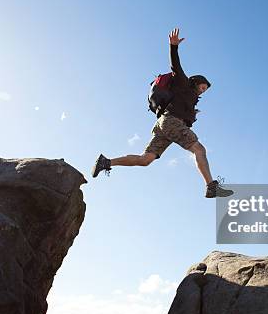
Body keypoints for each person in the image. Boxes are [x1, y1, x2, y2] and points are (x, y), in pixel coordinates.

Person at [92, 28, 233, 198]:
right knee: (199, 149)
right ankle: (211, 186)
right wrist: (173, 47)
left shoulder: (190, 98)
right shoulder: (183, 83)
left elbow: (181, 107)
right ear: (195, 82)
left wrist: (191, 112)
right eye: (202, 87)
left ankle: (106, 162)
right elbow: (176, 65)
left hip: (163, 124)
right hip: (171, 121)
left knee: (145, 160)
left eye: (205, 90)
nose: (202, 91)